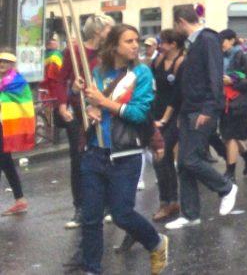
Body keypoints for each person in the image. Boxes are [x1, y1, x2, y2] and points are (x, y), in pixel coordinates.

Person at [71, 25, 169, 274]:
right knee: (90, 217)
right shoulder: (97, 71)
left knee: (122, 214)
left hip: (125, 154)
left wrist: (104, 103)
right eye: (129, 41)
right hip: (94, 152)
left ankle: (156, 243)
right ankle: (92, 268)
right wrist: (81, 98)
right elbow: (88, 111)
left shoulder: (142, 73)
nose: (135, 45)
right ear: (114, 45)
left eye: (137, 40)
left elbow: (139, 113)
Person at [165, 4, 238, 230]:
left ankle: (225, 187)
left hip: (201, 109)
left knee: (190, 159)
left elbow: (214, 75)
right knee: (183, 165)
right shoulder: (194, 43)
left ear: (180, 22)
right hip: (190, 109)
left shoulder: (206, 39)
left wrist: (208, 109)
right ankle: (190, 214)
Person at [51, 14, 115, 229]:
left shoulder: (110, 52)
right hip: (78, 112)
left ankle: (107, 203)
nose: (112, 32)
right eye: (109, 28)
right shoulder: (75, 51)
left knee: (104, 155)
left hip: (104, 111)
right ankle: (80, 207)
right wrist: (62, 103)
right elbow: (60, 79)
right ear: (98, 31)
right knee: (78, 158)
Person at [150, 29, 185, 223]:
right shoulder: (158, 61)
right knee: (162, 159)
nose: (159, 45)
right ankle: (171, 200)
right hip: (157, 113)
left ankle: (168, 202)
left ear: (173, 44)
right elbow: (154, 86)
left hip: (173, 115)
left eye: (163, 42)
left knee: (161, 157)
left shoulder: (181, 62)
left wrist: (165, 117)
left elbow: (178, 94)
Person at [219, 29, 247, 182]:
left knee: (230, 136)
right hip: (224, 101)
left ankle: (230, 172)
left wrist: (233, 81)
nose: (220, 45)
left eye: (222, 41)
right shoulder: (219, 58)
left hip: (239, 102)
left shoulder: (243, 57)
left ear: (231, 40)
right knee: (229, 136)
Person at [0, 51, 32, 216]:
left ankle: (20, 200)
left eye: (6, 61)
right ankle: (20, 200)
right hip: (2, 126)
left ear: (12, 64)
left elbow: (19, 101)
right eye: (0, 61)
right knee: (6, 163)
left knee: (4, 161)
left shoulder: (16, 81)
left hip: (7, 127)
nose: (2, 64)